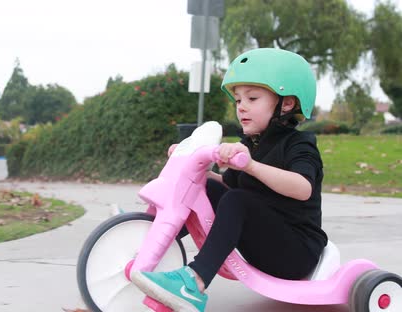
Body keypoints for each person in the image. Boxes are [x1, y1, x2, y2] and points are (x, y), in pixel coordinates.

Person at [130, 48, 328, 312]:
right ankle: (154, 239)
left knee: (238, 200)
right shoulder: (251, 144)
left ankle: (194, 282)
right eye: (237, 100)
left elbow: (303, 188)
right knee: (206, 186)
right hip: (264, 240)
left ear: (287, 103)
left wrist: (252, 166)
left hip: (295, 252)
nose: (241, 107)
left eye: (253, 98)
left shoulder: (300, 145)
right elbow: (225, 186)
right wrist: (193, 164)